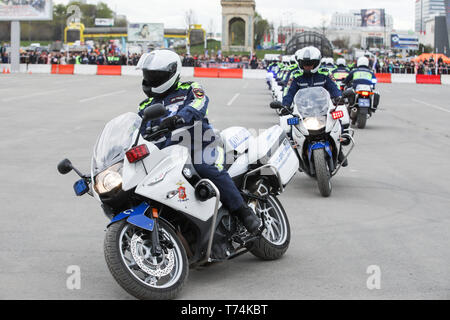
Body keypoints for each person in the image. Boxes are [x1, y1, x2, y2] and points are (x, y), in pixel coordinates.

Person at [136, 49, 262, 236]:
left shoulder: (190, 88)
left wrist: (179, 118)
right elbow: (137, 129)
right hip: (168, 153)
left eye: (154, 75)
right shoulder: (146, 105)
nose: (149, 79)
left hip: (199, 142)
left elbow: (199, 104)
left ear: (170, 74)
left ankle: (244, 213)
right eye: (147, 74)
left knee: (204, 166)